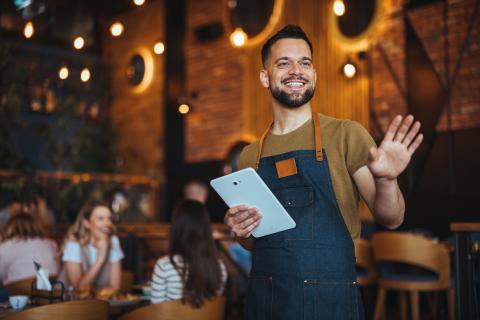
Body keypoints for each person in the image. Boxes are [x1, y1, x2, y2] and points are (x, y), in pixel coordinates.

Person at [224, 25, 423, 319]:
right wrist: (241, 231)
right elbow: (255, 241)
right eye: (284, 63)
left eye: (305, 62)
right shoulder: (250, 155)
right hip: (267, 302)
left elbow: (392, 218)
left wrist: (386, 180)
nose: (296, 70)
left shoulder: (346, 134)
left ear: (314, 74)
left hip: (331, 301)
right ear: (265, 77)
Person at [150, 200, 227, 307]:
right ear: (206, 228)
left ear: (176, 228)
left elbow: (156, 310)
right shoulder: (219, 267)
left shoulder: (164, 265)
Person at [60, 200, 124, 292]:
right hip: (66, 305)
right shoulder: (73, 244)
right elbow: (78, 290)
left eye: (109, 218)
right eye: (101, 219)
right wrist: (100, 258)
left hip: (98, 305)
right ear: (87, 223)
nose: (107, 223)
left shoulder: (113, 241)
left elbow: (115, 287)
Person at [0, 212, 59, 286]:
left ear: (10, 227)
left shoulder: (7, 246)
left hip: (16, 293)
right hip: (48, 292)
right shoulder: (51, 244)